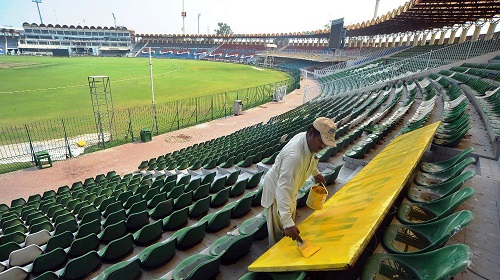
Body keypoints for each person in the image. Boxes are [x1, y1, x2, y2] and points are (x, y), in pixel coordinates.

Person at [261, 117, 337, 246]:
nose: (323, 146)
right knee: (279, 231)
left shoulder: (307, 140)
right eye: (322, 141)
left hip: (290, 186)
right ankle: (276, 257)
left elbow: (310, 158)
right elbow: (283, 189)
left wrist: (316, 173)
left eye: (326, 142)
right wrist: (287, 223)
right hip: (276, 192)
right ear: (311, 132)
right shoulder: (293, 156)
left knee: (288, 217)